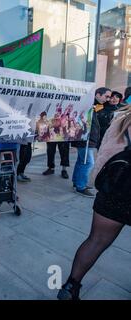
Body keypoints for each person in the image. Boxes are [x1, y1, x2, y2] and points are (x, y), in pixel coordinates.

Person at [58, 106, 131, 300]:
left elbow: (104, 155)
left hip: (114, 190)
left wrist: (101, 184)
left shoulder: (122, 119)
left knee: (96, 241)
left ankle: (70, 287)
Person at [71, 87, 109, 198]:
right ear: (98, 94)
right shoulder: (88, 103)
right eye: (106, 96)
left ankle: (77, 182)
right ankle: (80, 187)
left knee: (81, 161)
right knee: (88, 163)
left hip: (88, 139)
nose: (107, 99)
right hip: (85, 139)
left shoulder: (96, 105)